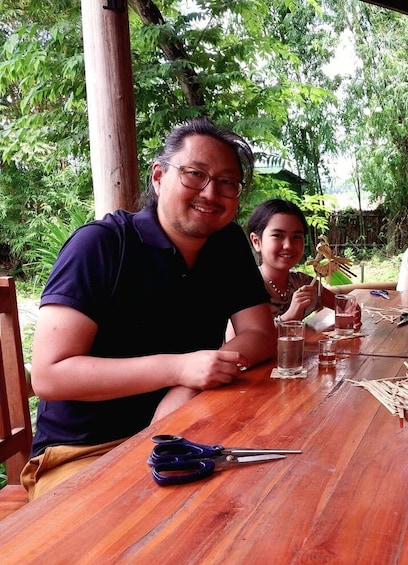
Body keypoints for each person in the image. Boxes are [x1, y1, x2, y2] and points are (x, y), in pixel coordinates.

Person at [24, 116, 276, 500]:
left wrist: (188, 383)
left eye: (227, 182)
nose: (211, 193)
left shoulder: (227, 246)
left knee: (265, 497)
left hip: (187, 430)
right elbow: (50, 375)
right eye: (195, 174)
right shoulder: (102, 245)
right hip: (85, 451)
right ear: (159, 177)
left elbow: (261, 334)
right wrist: (178, 368)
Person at [243, 198, 361, 328]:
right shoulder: (247, 286)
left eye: (296, 237)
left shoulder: (302, 282)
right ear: (256, 241)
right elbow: (245, 338)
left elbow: (343, 305)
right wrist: (290, 316)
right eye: (278, 235)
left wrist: (352, 309)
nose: (288, 245)